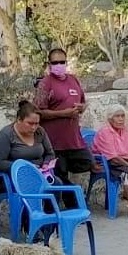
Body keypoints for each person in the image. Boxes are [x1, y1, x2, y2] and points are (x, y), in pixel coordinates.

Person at [34, 47, 94, 183]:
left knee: (88, 162)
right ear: (49, 64)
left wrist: (81, 108)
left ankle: (72, 195)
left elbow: (83, 102)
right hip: (54, 141)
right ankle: (70, 200)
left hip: (73, 139)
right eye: (55, 63)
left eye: (62, 62)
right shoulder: (45, 84)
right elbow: (39, 112)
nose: (59, 65)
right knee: (60, 174)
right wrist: (63, 113)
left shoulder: (73, 80)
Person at [0, 101, 58, 174]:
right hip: (17, 175)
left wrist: (46, 164)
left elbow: (50, 153)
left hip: (40, 173)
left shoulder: (40, 131)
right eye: (30, 123)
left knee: (59, 183)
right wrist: (24, 167)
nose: (34, 127)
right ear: (19, 120)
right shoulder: (6, 135)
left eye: (36, 123)